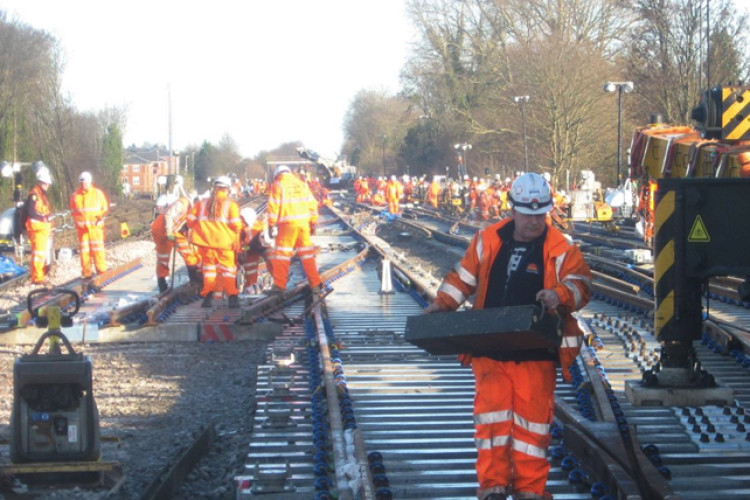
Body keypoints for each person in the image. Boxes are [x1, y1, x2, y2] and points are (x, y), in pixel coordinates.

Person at [424, 172, 592, 500]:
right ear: (512, 208)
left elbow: (582, 285)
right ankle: (493, 488)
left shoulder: (561, 248)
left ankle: (530, 491)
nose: (533, 220)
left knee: (532, 428)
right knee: (491, 424)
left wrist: (558, 295)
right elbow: (463, 278)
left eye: (540, 213)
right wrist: (441, 305)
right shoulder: (488, 239)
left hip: (536, 352)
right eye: (527, 214)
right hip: (490, 350)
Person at [186, 176, 243, 308]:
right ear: (227, 189)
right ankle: (233, 298)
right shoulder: (230, 205)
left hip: (206, 244)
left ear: (214, 187)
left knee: (209, 270)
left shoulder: (202, 203)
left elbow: (190, 220)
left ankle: (207, 297)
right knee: (228, 270)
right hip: (225, 244)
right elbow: (236, 226)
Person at [266, 165, 321, 295]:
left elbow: (273, 206)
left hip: (287, 226)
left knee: (282, 256)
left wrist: (271, 225)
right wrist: (313, 221)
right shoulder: (302, 184)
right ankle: (316, 285)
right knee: (307, 256)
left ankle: (279, 286)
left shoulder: (278, 185)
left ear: (277, 175)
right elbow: (312, 204)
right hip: (303, 225)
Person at [151, 193, 201, 293]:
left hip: (177, 231)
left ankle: (194, 280)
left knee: (189, 254)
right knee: (163, 258)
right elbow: (169, 215)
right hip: (161, 229)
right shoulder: (182, 204)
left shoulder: (194, 210)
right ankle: (162, 284)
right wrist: (169, 232)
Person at [70, 171, 109, 279]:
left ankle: (101, 272)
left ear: (90, 181)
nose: (83, 184)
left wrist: (99, 217)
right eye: (81, 182)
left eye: (85, 182)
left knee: (98, 250)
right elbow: (73, 211)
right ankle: (87, 273)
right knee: (84, 253)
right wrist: (78, 222)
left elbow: (104, 208)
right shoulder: (75, 196)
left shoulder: (97, 193)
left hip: (95, 228)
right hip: (83, 230)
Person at [25, 166, 53, 284]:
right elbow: (30, 211)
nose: (48, 186)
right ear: (41, 182)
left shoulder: (42, 196)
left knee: (40, 253)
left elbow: (45, 212)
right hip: (37, 229)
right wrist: (43, 218)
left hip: (43, 229)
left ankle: (39, 275)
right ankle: (37, 278)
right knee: (38, 254)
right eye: (46, 184)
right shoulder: (34, 195)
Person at [237, 207, 273, 295]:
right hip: (249, 249)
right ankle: (251, 287)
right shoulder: (242, 229)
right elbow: (241, 245)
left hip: (263, 247)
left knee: (273, 262)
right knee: (250, 269)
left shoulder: (261, 227)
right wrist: (243, 250)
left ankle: (279, 283)